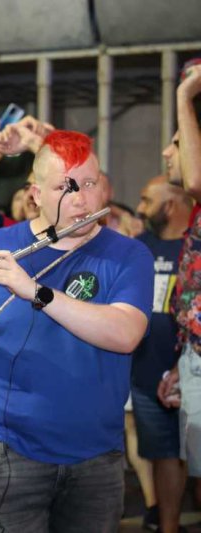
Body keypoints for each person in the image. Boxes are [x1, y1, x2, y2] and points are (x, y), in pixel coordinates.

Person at [0, 130, 153, 532]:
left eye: (90, 183)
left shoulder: (128, 255)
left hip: (95, 455)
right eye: (65, 188)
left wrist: (36, 291)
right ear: (35, 194)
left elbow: (125, 333)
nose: (82, 199)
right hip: (4, 450)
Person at [132, 175, 192, 533]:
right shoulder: (139, 248)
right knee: (162, 457)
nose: (139, 208)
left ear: (169, 205)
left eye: (145, 200)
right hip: (145, 374)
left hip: (189, 370)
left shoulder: (193, 249)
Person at [159, 60, 201, 533]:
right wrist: (182, 360)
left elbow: (195, 179)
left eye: (177, 140)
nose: (169, 152)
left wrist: (184, 98)